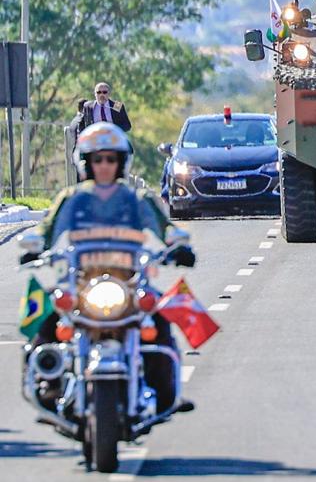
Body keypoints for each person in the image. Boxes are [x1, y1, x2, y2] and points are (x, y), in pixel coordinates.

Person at [24, 123, 194, 413]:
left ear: (121, 162)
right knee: (43, 315)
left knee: (159, 320)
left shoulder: (138, 200)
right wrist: (36, 246)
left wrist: (177, 245)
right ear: (86, 163)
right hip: (80, 283)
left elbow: (166, 229)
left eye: (110, 159)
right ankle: (46, 383)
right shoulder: (70, 199)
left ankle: (166, 393)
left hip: (129, 283)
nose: (104, 166)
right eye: (97, 159)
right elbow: (46, 230)